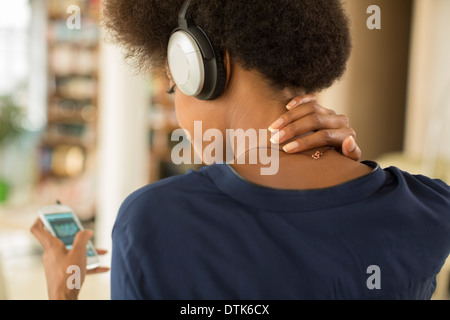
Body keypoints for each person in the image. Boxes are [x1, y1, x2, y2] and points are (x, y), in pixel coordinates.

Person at [32, 0, 450, 300]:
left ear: (207, 68)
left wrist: (61, 293)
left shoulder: (153, 223)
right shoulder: (431, 206)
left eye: (174, 86)